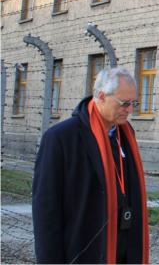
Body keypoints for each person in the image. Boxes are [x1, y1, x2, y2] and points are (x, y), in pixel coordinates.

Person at [32, 67, 150, 263]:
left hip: (122, 251)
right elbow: (46, 212)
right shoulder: (61, 138)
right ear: (102, 96)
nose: (129, 109)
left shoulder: (126, 135)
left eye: (133, 103)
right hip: (82, 252)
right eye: (124, 103)